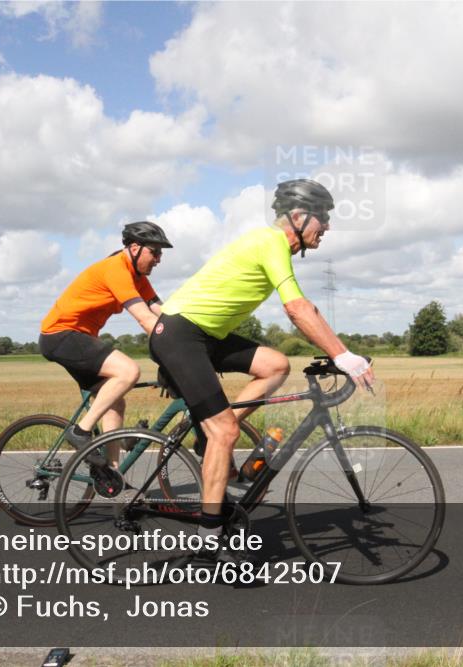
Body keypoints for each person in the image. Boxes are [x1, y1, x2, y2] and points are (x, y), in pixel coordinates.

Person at [149, 179, 375, 563]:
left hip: (204, 335)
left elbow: (301, 311)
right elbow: (298, 309)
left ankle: (209, 436)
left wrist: (338, 353)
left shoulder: (271, 245)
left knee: (275, 364)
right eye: (324, 218)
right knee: (226, 430)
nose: (328, 228)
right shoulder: (270, 243)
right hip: (181, 335)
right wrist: (343, 355)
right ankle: (210, 537)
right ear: (300, 217)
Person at [39, 221, 172, 480]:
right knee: (128, 371)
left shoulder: (138, 277)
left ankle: (112, 476)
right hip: (61, 334)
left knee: (115, 403)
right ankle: (80, 431)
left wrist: (189, 330)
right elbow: (145, 319)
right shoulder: (116, 269)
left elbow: (161, 311)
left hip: (79, 337)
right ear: (134, 248)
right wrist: (176, 350)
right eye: (154, 252)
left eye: (161, 254)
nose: (158, 259)